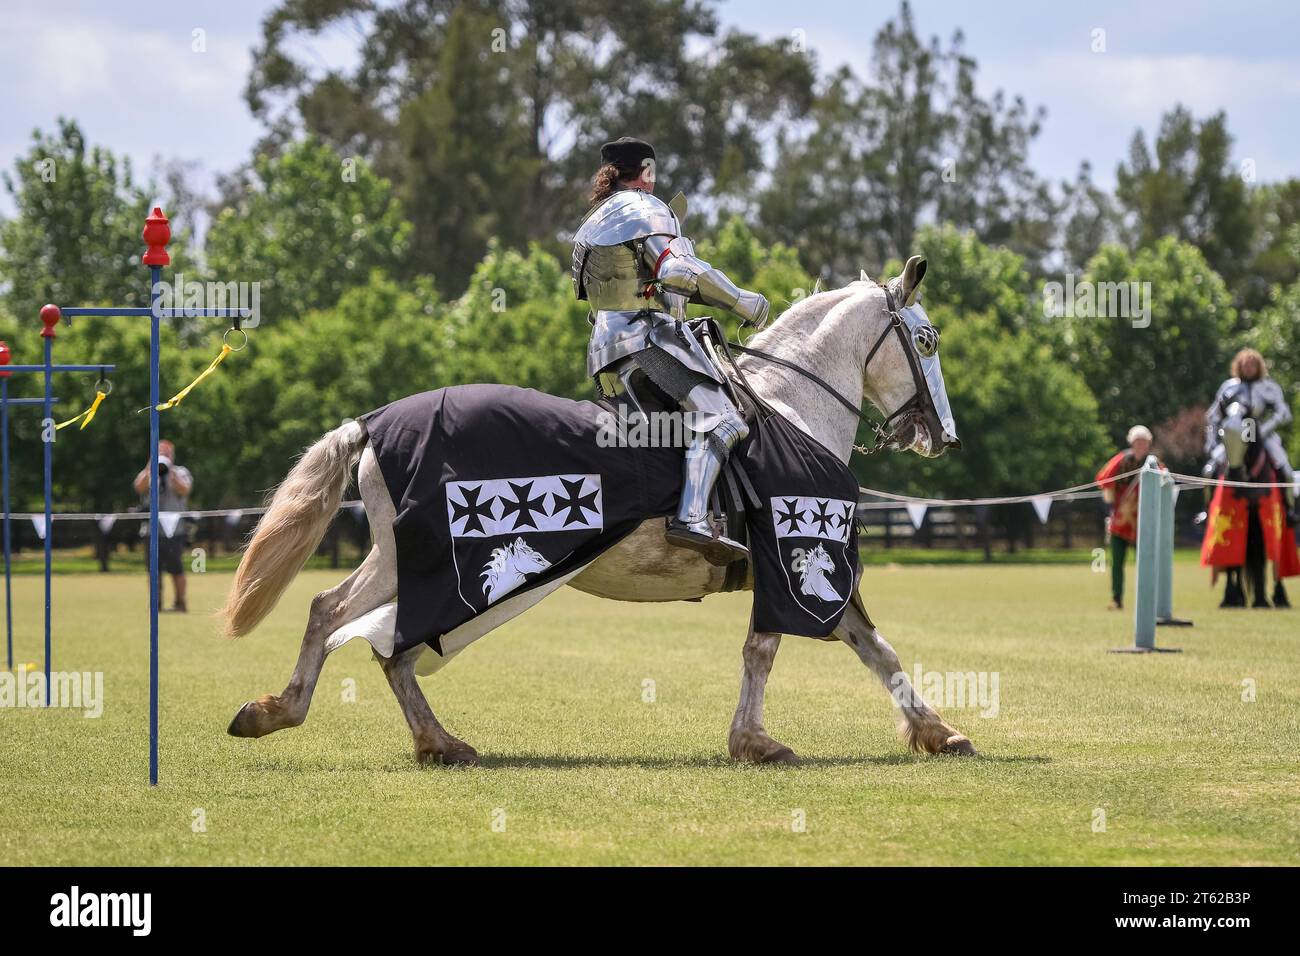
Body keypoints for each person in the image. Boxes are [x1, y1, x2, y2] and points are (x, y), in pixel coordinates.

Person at [572, 137, 770, 565]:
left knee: (661, 436)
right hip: (648, 342)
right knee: (723, 421)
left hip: (605, 353)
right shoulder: (645, 208)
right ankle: (693, 518)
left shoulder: (591, 225)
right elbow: (676, 270)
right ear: (646, 170)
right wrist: (742, 300)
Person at [1206, 348, 1294, 518]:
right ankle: (1207, 510)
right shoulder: (1229, 387)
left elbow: (1283, 413)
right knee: (1209, 470)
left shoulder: (1270, 387)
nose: (1249, 368)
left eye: (1252, 365)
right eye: (1245, 365)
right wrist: (1211, 442)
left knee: (1286, 470)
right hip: (1234, 437)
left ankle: (1289, 510)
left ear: (1258, 366)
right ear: (1239, 366)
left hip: (1264, 435)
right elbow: (1214, 416)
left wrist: (1264, 429)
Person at [1096, 426, 1158, 610]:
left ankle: (1147, 601)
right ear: (1131, 443)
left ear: (1149, 444)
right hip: (1121, 521)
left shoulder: (1153, 463)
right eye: (1137, 442)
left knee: (1146, 562)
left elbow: (1164, 482)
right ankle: (1117, 598)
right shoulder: (1121, 461)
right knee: (1116, 563)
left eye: (1144, 442)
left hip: (1144, 521)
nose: (1140, 445)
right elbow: (1104, 479)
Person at [132, 439, 193, 613]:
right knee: (153, 571)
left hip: (176, 530)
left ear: (172, 455)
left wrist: (170, 469)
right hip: (151, 531)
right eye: (160, 452)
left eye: (167, 453)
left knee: (176, 568)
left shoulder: (181, 472)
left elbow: (185, 489)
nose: (163, 456)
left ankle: (180, 603)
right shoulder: (149, 473)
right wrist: (150, 466)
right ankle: (155, 604)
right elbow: (138, 487)